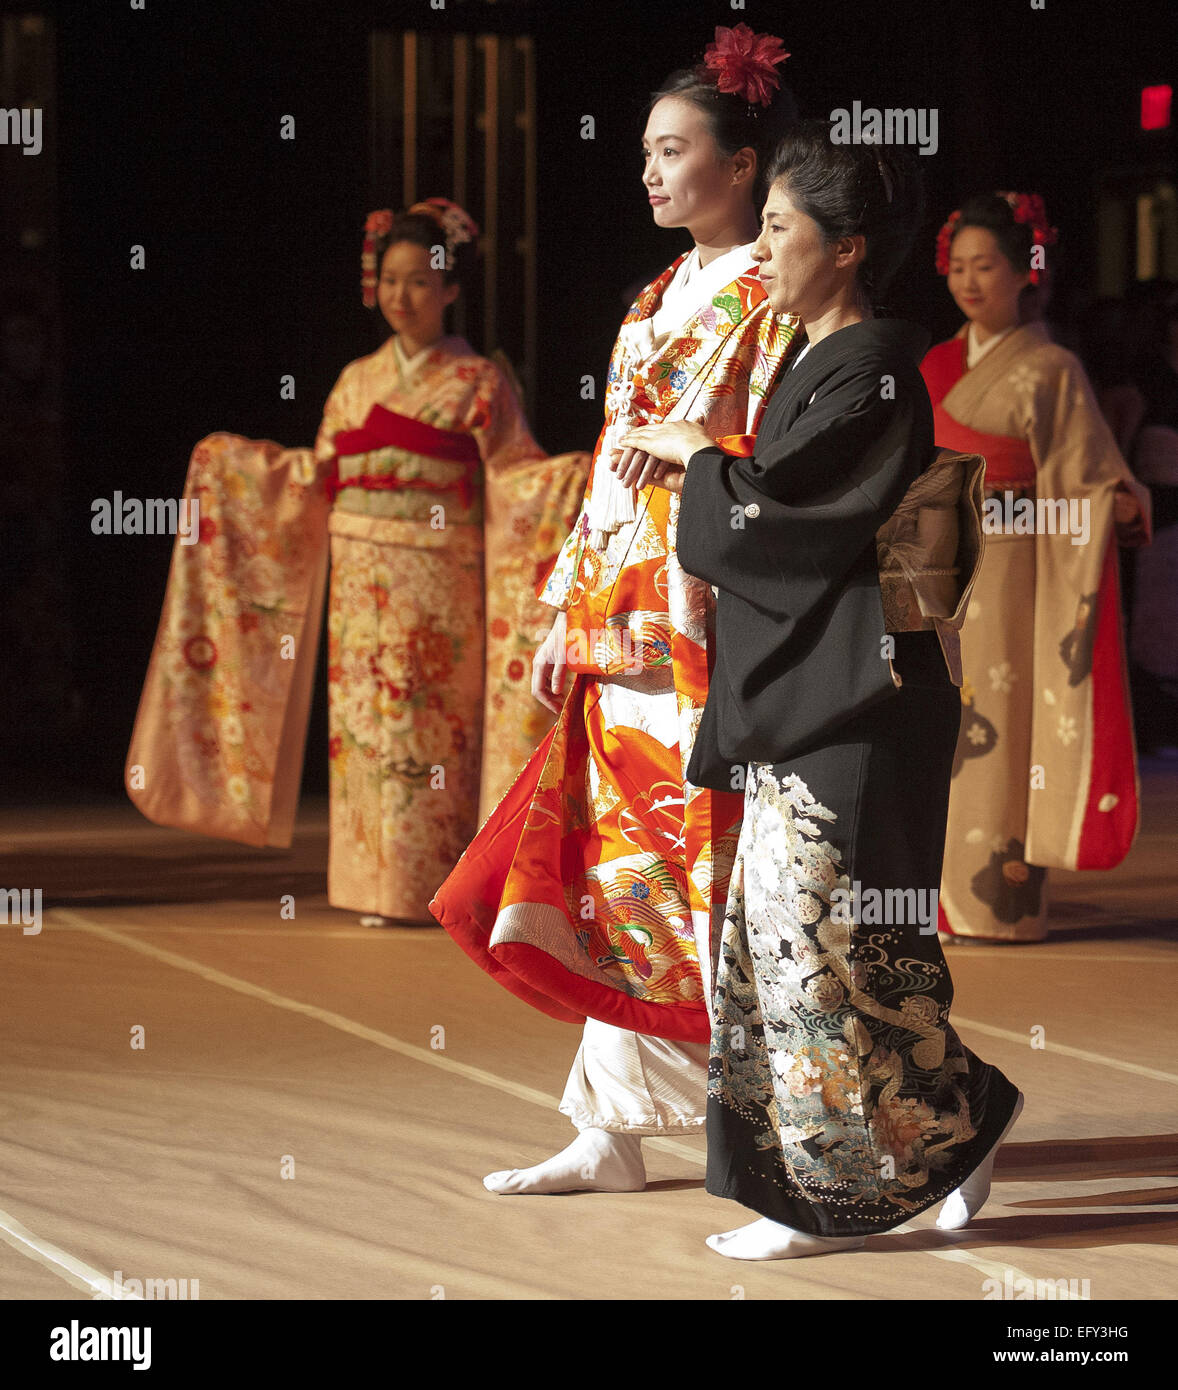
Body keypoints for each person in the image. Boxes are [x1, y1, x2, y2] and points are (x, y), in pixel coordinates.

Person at [627, 120, 1022, 1260]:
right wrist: (716, 457)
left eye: (781, 228)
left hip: (858, 695)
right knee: (787, 940)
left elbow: (786, 517)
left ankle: (828, 1193)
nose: (761, 249)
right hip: (811, 689)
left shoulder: (876, 365)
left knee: (820, 940)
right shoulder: (816, 360)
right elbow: (770, 495)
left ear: (844, 248)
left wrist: (706, 464)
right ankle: (958, 1119)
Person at [431, 24, 800, 1195]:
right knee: (622, 858)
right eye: (643, 150)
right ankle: (612, 1125)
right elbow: (605, 467)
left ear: (740, 166)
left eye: (672, 149)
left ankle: (796, 1111)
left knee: (721, 856)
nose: (647, 170)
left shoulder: (777, 295)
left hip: (716, 606)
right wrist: (566, 612)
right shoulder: (654, 296)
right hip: (627, 607)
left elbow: (793, 456)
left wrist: (702, 451)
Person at [126, 199, 588, 925]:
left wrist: (571, 478)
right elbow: (320, 476)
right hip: (359, 577)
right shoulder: (355, 381)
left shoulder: (479, 384)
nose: (402, 297)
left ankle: (442, 884)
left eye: (419, 282)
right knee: (367, 733)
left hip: (440, 581)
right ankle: (376, 886)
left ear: (450, 288)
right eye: (391, 281)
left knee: (431, 732)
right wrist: (237, 468)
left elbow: (512, 478)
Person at [921, 194, 1151, 942]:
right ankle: (931, 894)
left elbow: (1085, 478)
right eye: (957, 268)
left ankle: (993, 901)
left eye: (986, 266)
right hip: (933, 565)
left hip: (1016, 575)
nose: (969, 282)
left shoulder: (1052, 369)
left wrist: (1107, 505)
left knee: (1003, 724)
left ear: (1026, 273)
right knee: (934, 722)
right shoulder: (935, 365)